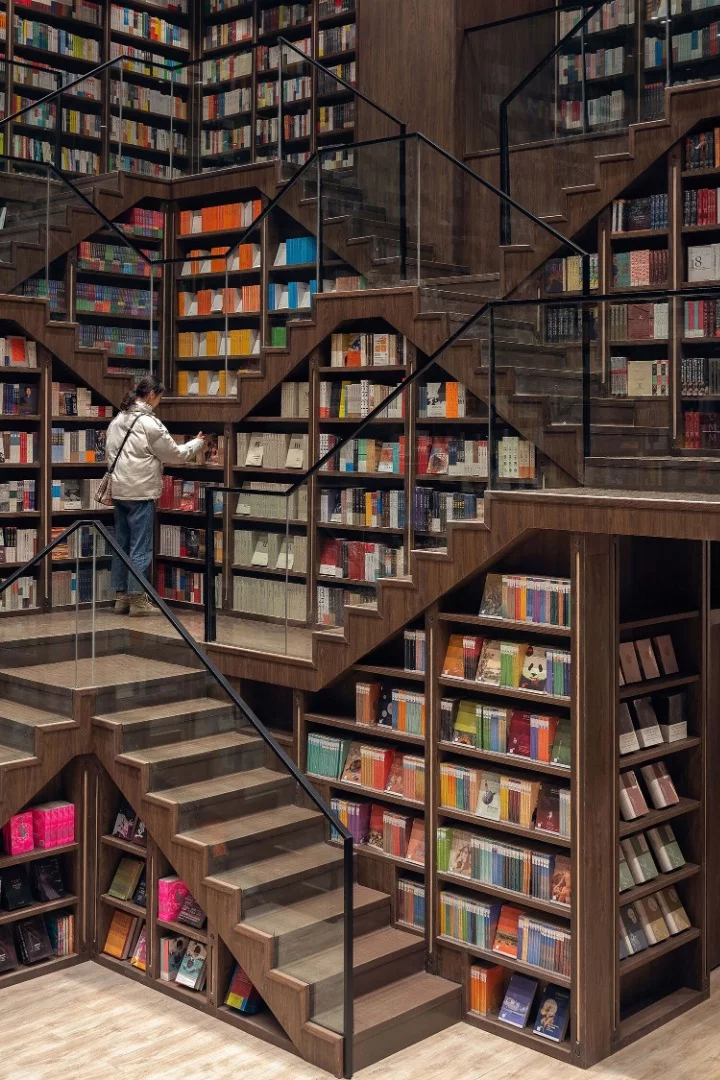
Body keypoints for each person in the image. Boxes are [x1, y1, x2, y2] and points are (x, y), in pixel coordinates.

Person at [106, 376, 206, 616]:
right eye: (159, 397)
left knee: (122, 544)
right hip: (140, 492)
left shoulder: (118, 420)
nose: (159, 402)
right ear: (151, 395)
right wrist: (197, 444)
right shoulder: (149, 424)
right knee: (140, 546)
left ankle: (121, 598)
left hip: (119, 491)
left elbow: (110, 452)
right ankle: (138, 599)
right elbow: (174, 454)